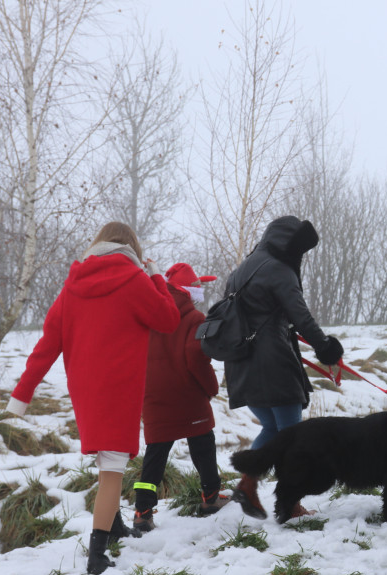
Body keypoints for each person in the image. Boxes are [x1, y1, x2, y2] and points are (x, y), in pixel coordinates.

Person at [6, 222, 179, 574]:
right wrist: (157, 276)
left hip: (87, 391)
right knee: (112, 472)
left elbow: (48, 344)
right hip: (120, 390)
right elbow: (168, 319)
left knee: (107, 463)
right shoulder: (135, 281)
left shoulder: (73, 285)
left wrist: (20, 396)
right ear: (132, 249)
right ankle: (97, 556)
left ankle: (114, 527)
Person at [226, 216, 344, 521]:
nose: (300, 257)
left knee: (274, 428)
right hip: (273, 363)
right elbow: (300, 315)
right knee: (293, 438)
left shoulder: (244, 269)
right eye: (300, 250)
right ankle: (289, 505)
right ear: (288, 246)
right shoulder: (279, 269)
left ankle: (247, 485)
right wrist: (325, 347)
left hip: (242, 363)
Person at [134, 263, 228, 532]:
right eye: (197, 286)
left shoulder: (149, 314)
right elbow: (196, 359)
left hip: (153, 395)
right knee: (203, 445)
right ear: (189, 291)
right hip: (188, 395)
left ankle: (143, 512)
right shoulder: (194, 318)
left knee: (155, 455)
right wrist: (211, 388)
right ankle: (210, 497)